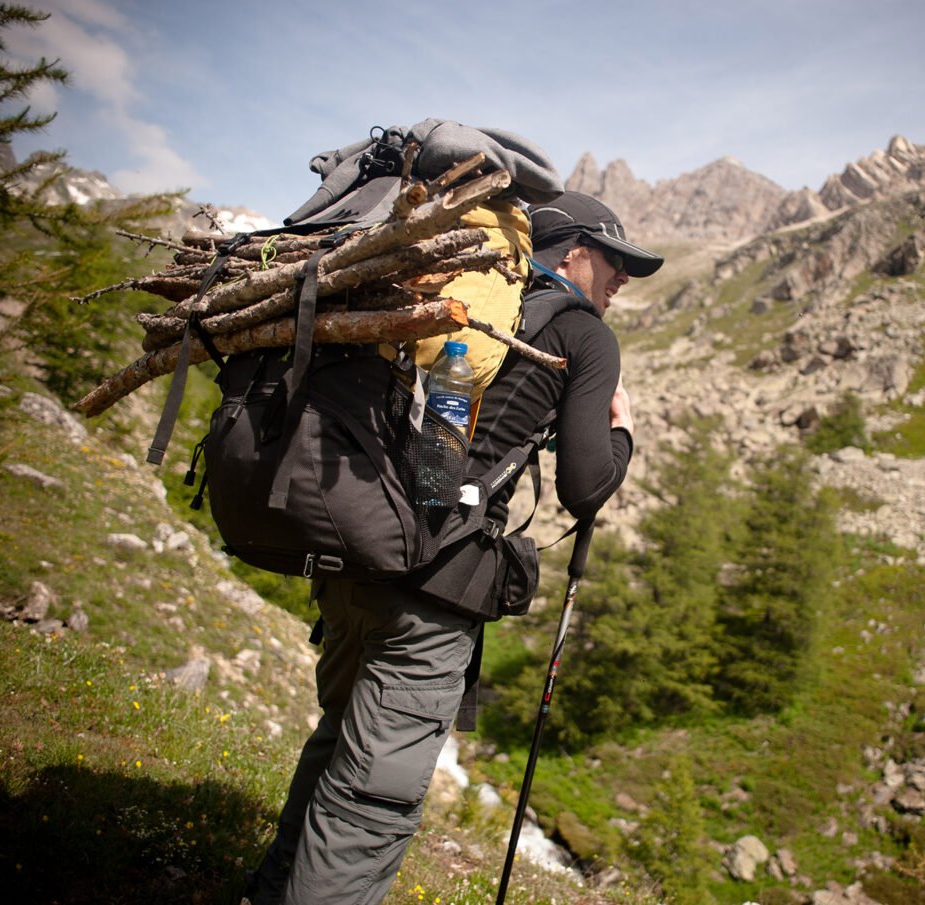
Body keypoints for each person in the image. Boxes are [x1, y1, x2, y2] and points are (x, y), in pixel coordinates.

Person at [247, 191, 663, 905]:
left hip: (356, 552)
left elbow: (451, 435)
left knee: (339, 745)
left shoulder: (468, 307)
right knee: (374, 798)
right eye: (615, 261)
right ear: (573, 255)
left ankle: (267, 890)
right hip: (433, 586)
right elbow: (588, 486)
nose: (623, 278)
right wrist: (620, 428)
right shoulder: (585, 334)